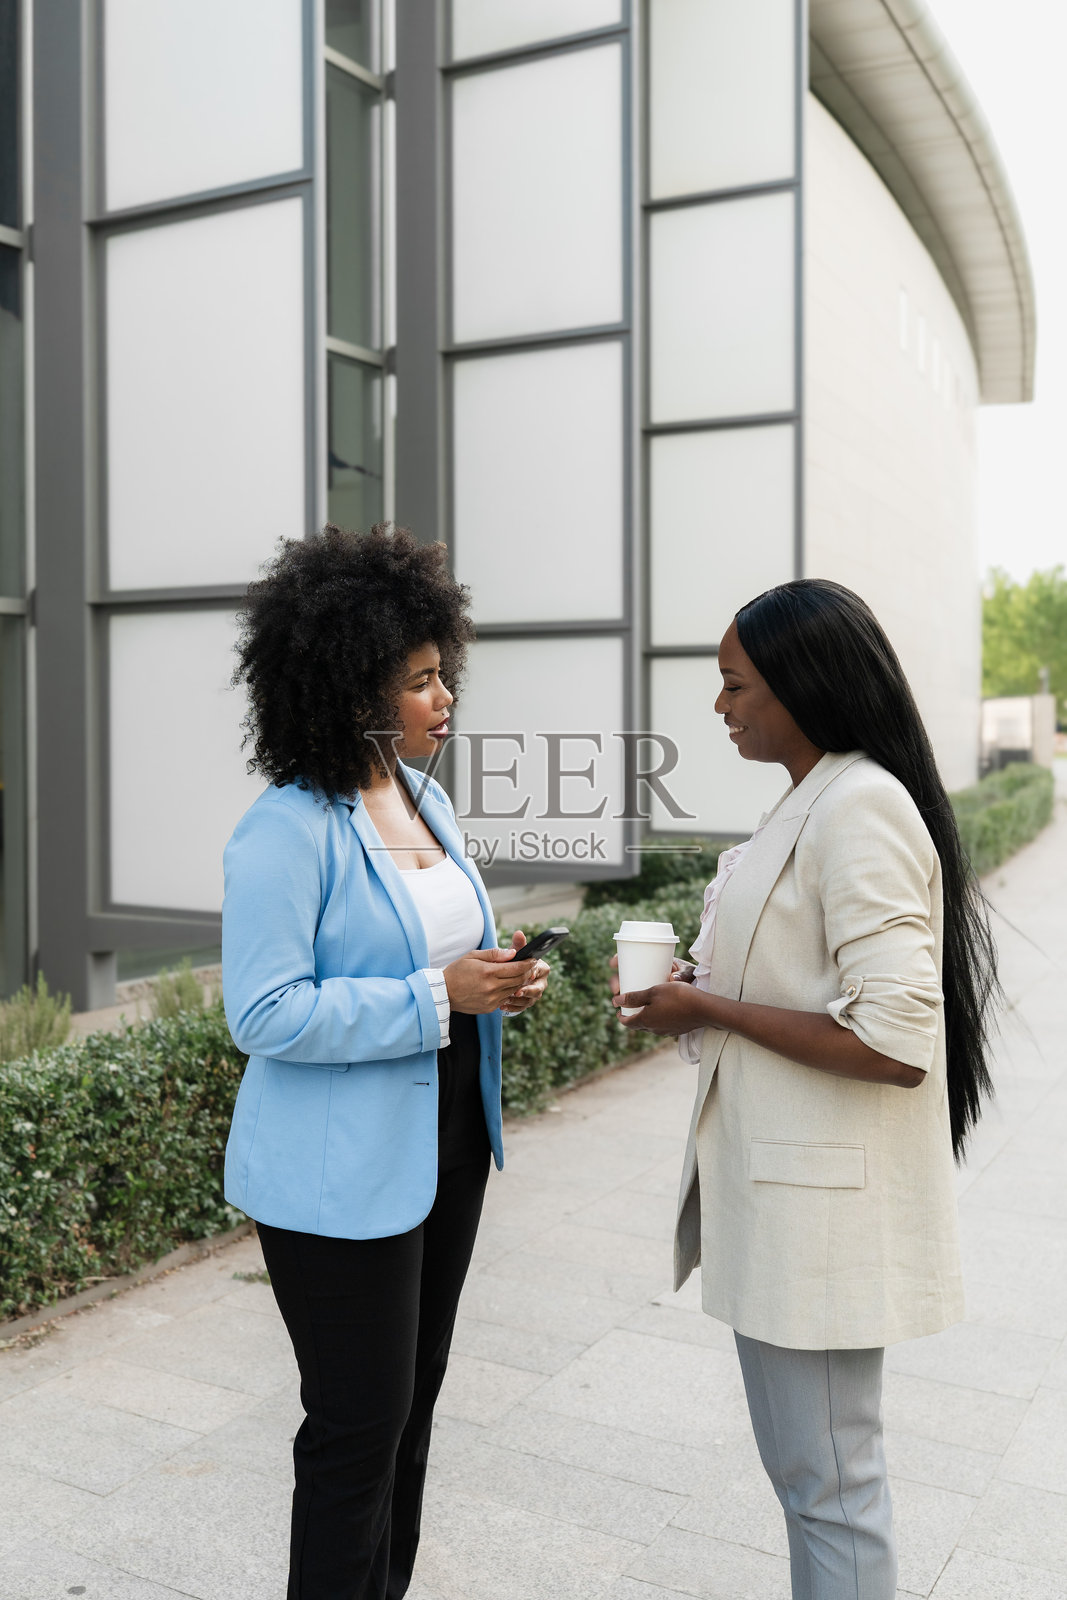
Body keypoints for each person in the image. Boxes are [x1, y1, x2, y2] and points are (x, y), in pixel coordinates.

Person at [612, 579, 996, 1600]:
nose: (719, 705)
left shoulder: (858, 803)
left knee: (830, 1487)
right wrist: (701, 990)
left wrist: (710, 1011)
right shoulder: (814, 794)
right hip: (785, 1198)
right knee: (814, 1482)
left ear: (800, 685)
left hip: (817, 1210)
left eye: (734, 684)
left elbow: (894, 1038)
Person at [222, 524, 550, 1600]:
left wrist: (497, 976)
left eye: (442, 671)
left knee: (409, 1410)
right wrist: (433, 996)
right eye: (417, 680)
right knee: (356, 1427)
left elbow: (434, 951)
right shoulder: (284, 828)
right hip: (335, 1178)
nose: (442, 696)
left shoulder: (423, 799)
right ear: (350, 686)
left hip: (444, 1142)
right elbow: (264, 1011)